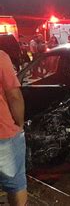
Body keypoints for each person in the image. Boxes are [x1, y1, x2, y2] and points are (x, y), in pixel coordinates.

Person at [0, 51, 27, 206]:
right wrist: (20, 125)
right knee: (16, 185)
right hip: (4, 135)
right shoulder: (1, 57)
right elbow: (14, 96)